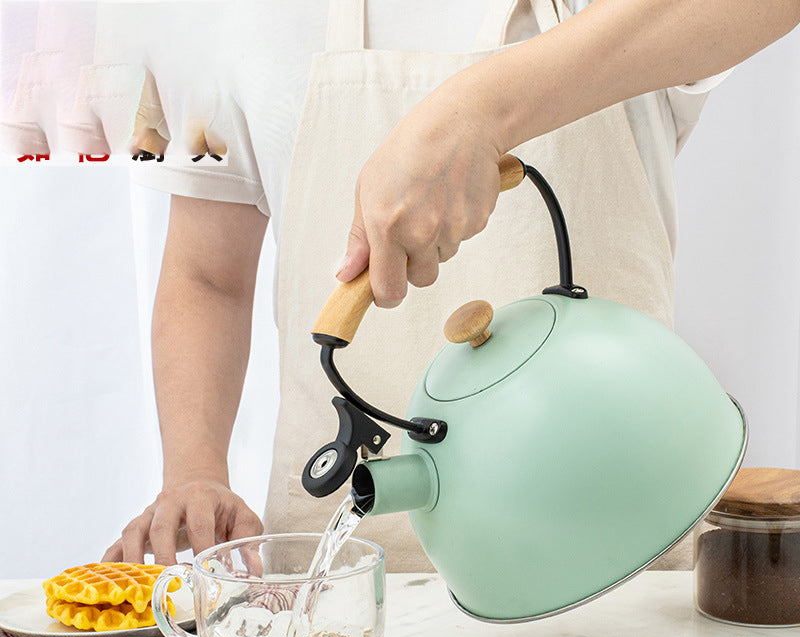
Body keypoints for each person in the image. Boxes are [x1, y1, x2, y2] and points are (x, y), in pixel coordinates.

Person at [102, 0, 800, 570]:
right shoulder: (221, 15)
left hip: (618, 565)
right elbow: (208, 275)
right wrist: (194, 470)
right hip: (347, 593)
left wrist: (479, 110)